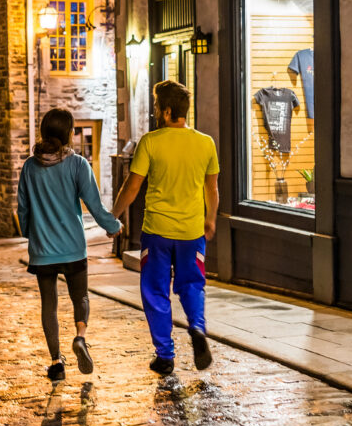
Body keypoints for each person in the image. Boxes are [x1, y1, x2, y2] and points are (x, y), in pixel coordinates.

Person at [112, 80, 219, 376]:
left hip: (157, 232)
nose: (156, 111)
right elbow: (212, 189)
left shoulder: (151, 141)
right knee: (192, 285)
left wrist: (113, 216)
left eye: (158, 106)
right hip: (192, 232)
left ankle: (165, 355)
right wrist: (210, 219)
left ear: (168, 110)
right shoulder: (206, 142)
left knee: (155, 291)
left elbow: (132, 187)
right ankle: (197, 327)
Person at [17, 108, 122, 382]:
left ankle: (56, 362)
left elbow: (22, 209)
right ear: (68, 133)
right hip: (73, 247)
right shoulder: (78, 164)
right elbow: (94, 205)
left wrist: (31, 234)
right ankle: (80, 337)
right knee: (81, 297)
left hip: (42, 252)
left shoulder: (30, 166)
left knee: (49, 305)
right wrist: (113, 227)